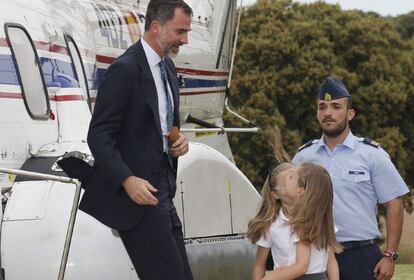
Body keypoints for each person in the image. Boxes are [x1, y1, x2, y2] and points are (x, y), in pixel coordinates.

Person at [78, 1, 193, 279]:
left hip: (164, 192)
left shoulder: (168, 70)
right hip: (138, 202)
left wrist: (178, 144)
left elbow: (164, 126)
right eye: (180, 31)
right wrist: (127, 180)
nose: (185, 40)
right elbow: (98, 135)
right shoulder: (125, 70)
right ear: (156, 27)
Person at [292, 77, 410, 280]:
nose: (328, 113)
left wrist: (390, 256)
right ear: (317, 113)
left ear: (350, 113)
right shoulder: (303, 157)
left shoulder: (372, 155)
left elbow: (394, 205)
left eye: (336, 106)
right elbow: (289, 204)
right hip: (314, 254)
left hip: (361, 256)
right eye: (322, 107)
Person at [248, 161, 341, 280]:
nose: (295, 180)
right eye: (289, 178)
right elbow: (259, 265)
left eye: (292, 176)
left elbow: (330, 261)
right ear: (275, 194)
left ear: (301, 190)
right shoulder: (270, 225)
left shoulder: (317, 219)